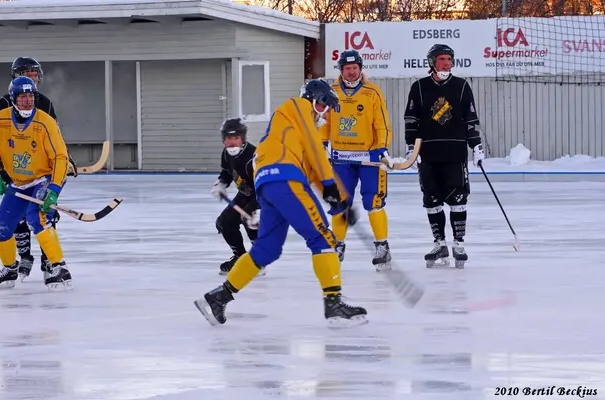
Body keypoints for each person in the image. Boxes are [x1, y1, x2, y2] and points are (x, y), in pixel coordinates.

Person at [194, 79, 367, 327]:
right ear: (318, 100)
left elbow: (314, 168)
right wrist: (330, 186)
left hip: (268, 185)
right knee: (322, 238)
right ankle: (334, 303)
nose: (326, 115)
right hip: (285, 179)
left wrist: (340, 203)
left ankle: (219, 297)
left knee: (267, 249)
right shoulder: (298, 106)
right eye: (327, 107)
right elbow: (318, 159)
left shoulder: (295, 131)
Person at [0, 76, 72, 291]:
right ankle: (10, 268)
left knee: (37, 218)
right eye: (22, 96)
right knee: (0, 228)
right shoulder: (1, 120)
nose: (27, 101)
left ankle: (59, 268)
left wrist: (54, 190)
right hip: (19, 182)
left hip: (43, 179)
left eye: (30, 96)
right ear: (13, 98)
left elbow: (61, 157)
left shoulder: (45, 122)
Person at [403, 44, 485, 268]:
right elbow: (412, 120)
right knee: (431, 200)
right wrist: (412, 148)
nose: (447, 63)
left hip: (455, 153)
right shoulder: (419, 87)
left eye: (449, 59)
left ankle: (458, 243)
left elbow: (470, 119)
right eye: (442, 59)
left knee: (459, 199)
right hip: (428, 154)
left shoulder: (461, 86)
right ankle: (440, 243)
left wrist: (476, 146)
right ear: (432, 62)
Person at [320, 50, 394, 271]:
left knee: (374, 201)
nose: (351, 72)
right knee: (339, 203)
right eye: (347, 68)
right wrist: (322, 145)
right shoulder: (330, 92)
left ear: (360, 69)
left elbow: (381, 123)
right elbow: (324, 122)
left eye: (354, 68)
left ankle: (382, 246)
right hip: (341, 159)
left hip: (369, 158)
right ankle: (338, 244)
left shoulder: (373, 92)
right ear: (341, 70)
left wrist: (382, 148)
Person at [210, 117, 260, 275]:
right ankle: (240, 256)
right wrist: (222, 183)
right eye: (228, 138)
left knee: (250, 221)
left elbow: (264, 185)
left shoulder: (254, 156)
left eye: (236, 138)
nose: (232, 142)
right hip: (244, 194)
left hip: (259, 195)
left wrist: (257, 209)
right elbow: (227, 171)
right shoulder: (226, 154)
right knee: (224, 223)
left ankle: (258, 259)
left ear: (242, 138)